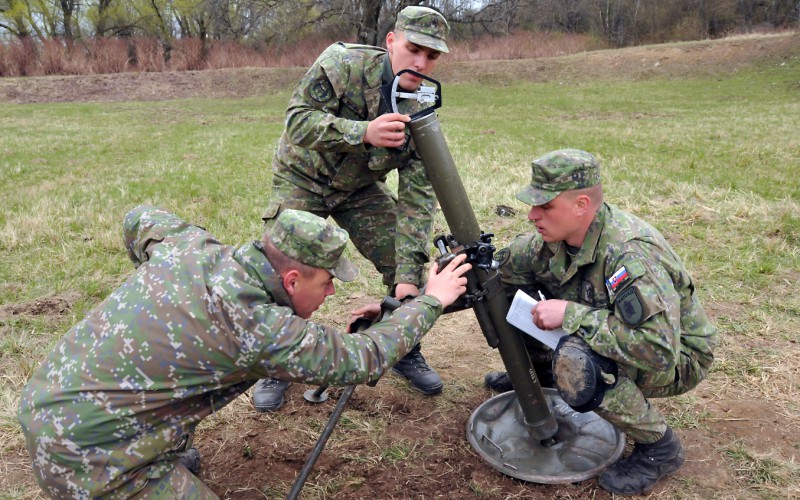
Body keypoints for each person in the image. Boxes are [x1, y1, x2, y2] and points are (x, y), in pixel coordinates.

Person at [17, 206, 470, 499]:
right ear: (291, 280)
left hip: (48, 396)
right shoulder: (257, 327)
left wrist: (158, 284)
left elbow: (138, 217)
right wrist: (432, 300)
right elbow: (361, 358)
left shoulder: (190, 245)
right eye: (327, 281)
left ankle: (157, 453)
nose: (332, 292)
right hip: (83, 455)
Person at [484, 149, 718, 495]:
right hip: (629, 337)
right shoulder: (559, 239)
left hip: (678, 357)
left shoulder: (629, 254)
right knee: (505, 291)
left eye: (545, 206)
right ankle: (540, 371)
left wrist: (571, 314)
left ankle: (659, 448)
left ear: (581, 205)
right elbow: (501, 268)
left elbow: (658, 349)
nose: (532, 215)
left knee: (580, 364)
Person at [254, 5, 452, 408]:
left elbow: (416, 201)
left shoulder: (421, 109)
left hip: (359, 189)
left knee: (402, 258)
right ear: (391, 41)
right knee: (284, 266)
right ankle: (276, 361)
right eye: (414, 49)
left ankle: (403, 346)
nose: (420, 63)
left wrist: (407, 281)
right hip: (302, 178)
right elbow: (297, 121)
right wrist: (362, 132)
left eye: (432, 55)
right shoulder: (343, 64)